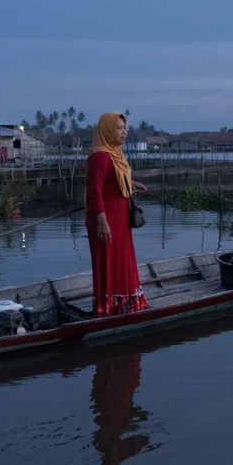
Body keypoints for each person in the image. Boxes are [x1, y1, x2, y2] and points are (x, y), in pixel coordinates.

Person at [86, 112, 149, 317]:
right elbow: (94, 191)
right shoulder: (100, 157)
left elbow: (115, 181)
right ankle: (109, 307)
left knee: (123, 261)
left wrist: (133, 184)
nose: (124, 132)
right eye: (118, 128)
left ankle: (126, 304)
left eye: (124, 128)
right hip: (104, 219)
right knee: (109, 264)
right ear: (107, 130)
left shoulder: (116, 154)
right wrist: (102, 222)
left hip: (120, 220)